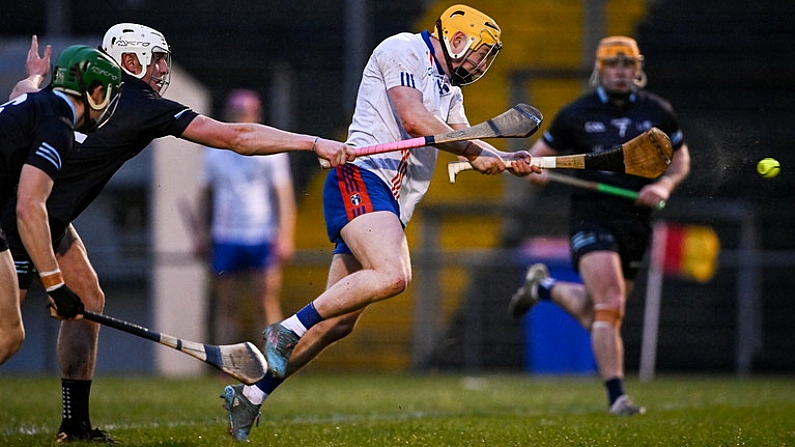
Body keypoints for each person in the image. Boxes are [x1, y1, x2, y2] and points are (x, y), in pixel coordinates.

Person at [6, 24, 352, 444]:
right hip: (21, 219)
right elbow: (236, 136)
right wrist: (313, 142)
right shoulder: (140, 104)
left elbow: (20, 101)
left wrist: (35, 77)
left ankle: (74, 424)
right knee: (7, 335)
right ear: (130, 62)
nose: (162, 69)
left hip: (47, 217)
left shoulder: (67, 94)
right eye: (156, 59)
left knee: (89, 297)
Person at [220, 4, 540, 441]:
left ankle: (252, 396)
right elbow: (414, 118)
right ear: (457, 38)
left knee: (338, 321)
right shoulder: (403, 50)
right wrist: (478, 149)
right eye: (479, 52)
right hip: (363, 177)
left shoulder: (451, 91)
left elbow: (466, 143)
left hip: (388, 203)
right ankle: (286, 329)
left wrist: (504, 159)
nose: (480, 64)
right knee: (393, 275)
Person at [508, 36, 691, 416]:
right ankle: (617, 398)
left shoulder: (658, 112)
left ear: (637, 69)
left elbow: (679, 161)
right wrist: (535, 171)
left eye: (628, 65)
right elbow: (538, 158)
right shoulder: (576, 113)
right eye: (614, 65)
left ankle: (544, 288)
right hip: (591, 215)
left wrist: (662, 185)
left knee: (601, 312)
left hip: (636, 219)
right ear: (601, 69)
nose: (621, 72)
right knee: (610, 304)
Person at [1, 45, 122, 363]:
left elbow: (21, 90)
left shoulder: (36, 102)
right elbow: (29, 207)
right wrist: (55, 285)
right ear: (96, 91)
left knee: (7, 331)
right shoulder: (59, 127)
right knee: (7, 335)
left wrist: (35, 75)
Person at [197, 89, 296, 343]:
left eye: (245, 112)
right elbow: (205, 196)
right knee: (227, 305)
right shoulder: (214, 152)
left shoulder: (272, 150)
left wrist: (285, 236)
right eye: (235, 112)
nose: (240, 117)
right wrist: (201, 234)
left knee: (266, 301)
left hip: (261, 235)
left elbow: (284, 197)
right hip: (225, 235)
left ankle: (274, 361)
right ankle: (226, 363)